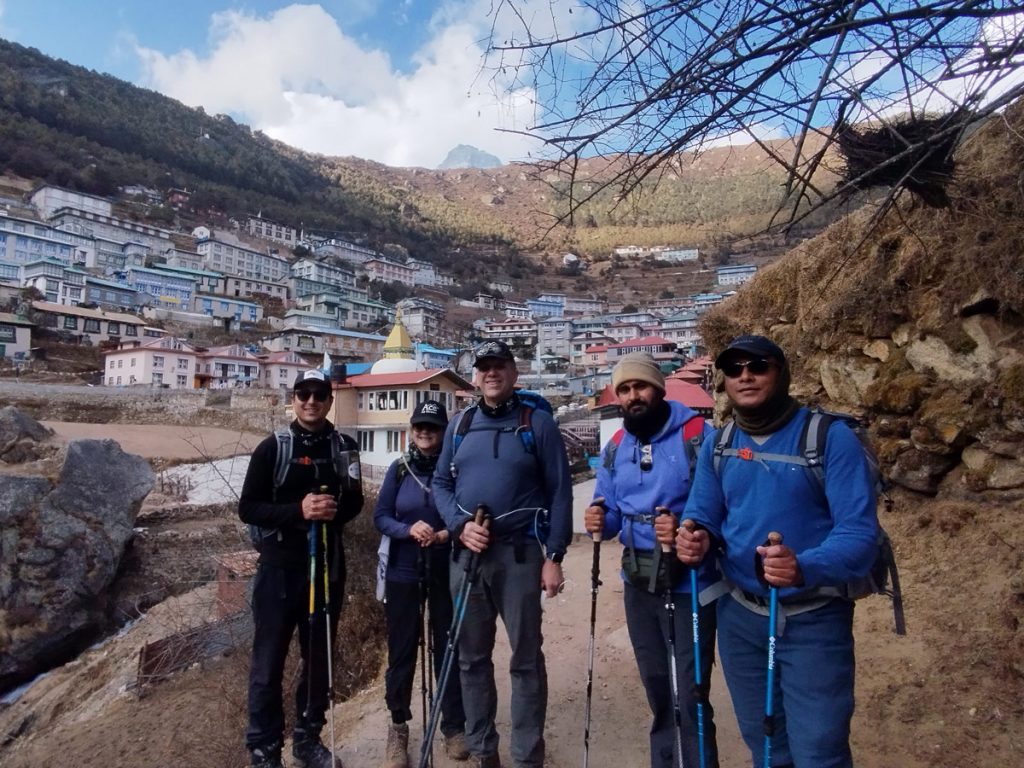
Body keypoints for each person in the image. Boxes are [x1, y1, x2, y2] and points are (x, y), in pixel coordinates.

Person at [674, 335, 879, 768]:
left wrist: (803, 566)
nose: (745, 375)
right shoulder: (722, 441)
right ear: (725, 380)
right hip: (740, 617)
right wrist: (695, 535)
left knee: (820, 750)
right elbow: (703, 510)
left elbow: (860, 536)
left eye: (758, 366)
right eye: (734, 368)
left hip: (814, 621)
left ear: (781, 373)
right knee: (764, 742)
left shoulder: (830, 438)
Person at [432, 340, 573, 768]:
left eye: (500, 366)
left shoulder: (538, 424)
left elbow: (560, 493)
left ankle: (527, 756)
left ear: (514, 374)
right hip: (467, 557)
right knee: (471, 659)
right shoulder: (459, 426)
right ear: (475, 377)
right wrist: (459, 527)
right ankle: (482, 750)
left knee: (525, 659)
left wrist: (555, 555)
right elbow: (441, 485)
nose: (491, 373)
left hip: (520, 557)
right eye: (484, 367)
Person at [583, 351, 720, 768]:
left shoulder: (697, 434)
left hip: (689, 581)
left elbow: (719, 502)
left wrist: (686, 527)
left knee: (691, 691)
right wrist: (597, 518)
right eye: (624, 389)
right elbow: (606, 515)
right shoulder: (616, 447)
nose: (632, 396)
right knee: (658, 687)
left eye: (640, 386)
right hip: (639, 580)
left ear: (658, 388)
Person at [238, 369, 364, 768]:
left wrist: (333, 510)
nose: (311, 401)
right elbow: (249, 508)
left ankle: (307, 739)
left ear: (329, 401)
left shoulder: (345, 447)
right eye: (303, 394)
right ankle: (264, 751)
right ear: (293, 399)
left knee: (319, 660)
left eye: (319, 394)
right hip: (278, 570)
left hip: (327, 567)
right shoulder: (273, 448)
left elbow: (356, 501)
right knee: (268, 663)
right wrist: (299, 510)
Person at [373, 400, 469, 768]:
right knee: (401, 653)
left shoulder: (456, 472)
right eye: (419, 427)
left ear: (444, 432)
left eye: (432, 427)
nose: (425, 432)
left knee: (448, 647)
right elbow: (381, 516)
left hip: (445, 568)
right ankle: (398, 727)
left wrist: (446, 534)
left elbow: (463, 514)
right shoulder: (399, 470)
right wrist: (407, 529)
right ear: (411, 431)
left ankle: (453, 727)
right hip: (402, 571)